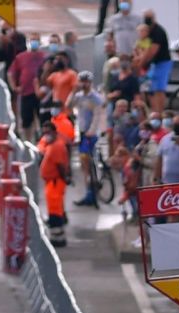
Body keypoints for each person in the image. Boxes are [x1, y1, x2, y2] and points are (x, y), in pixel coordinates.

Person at [69, 72, 106, 208]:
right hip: (82, 131)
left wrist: (91, 131)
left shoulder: (95, 98)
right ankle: (89, 190)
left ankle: (97, 180)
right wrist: (73, 92)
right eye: (82, 81)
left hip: (91, 133)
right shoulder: (79, 96)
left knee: (88, 158)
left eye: (86, 82)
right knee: (84, 164)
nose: (84, 84)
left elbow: (97, 116)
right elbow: (68, 105)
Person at [37, 120, 71, 247]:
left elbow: (60, 166)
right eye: (44, 133)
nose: (46, 135)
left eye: (48, 132)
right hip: (52, 182)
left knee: (55, 211)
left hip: (55, 182)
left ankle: (58, 238)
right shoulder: (52, 144)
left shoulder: (56, 146)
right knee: (55, 209)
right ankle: (57, 235)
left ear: (54, 132)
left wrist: (65, 178)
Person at [8, 33, 48, 141]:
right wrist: (14, 87)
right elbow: (11, 73)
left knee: (42, 119)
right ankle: (27, 142)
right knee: (26, 120)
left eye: (36, 40)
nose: (34, 42)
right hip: (26, 93)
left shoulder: (45, 57)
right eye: (32, 40)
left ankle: (42, 141)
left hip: (41, 94)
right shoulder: (21, 57)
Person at [138, 9, 171, 115]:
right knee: (150, 90)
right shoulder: (147, 31)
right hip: (152, 64)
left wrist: (140, 65)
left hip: (162, 62)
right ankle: (153, 112)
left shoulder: (158, 32)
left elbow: (152, 51)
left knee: (159, 89)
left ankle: (159, 112)